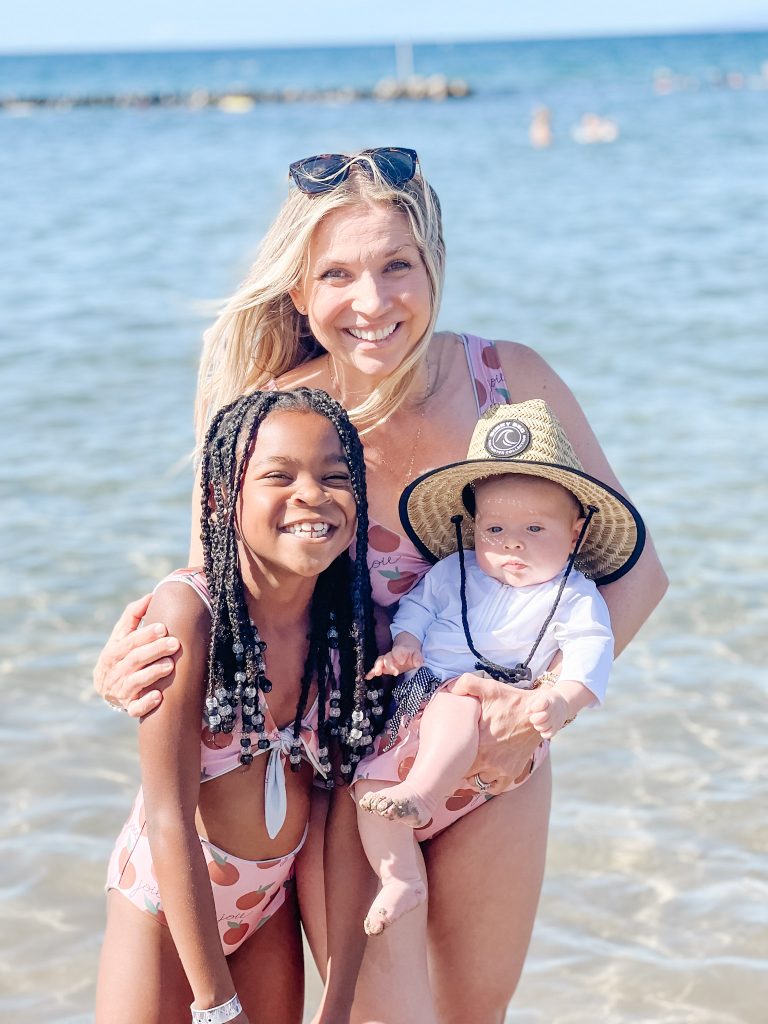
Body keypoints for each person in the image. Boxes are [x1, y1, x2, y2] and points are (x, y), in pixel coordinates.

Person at [94, 147, 667, 1024]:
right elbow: (219, 591)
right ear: (300, 291)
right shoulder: (276, 414)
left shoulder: (505, 383)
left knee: (474, 1014)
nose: (372, 302)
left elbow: (637, 572)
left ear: (433, 264)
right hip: (347, 776)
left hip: (493, 753)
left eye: (397, 265)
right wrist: (125, 661)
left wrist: (542, 708)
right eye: (338, 274)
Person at [96, 388, 379, 1024]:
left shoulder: (347, 633)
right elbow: (169, 815)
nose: (311, 494)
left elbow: (340, 820)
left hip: (267, 904)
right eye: (279, 476)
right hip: (167, 906)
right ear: (227, 498)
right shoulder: (191, 614)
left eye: (335, 477)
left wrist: (339, 998)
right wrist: (217, 1005)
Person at [354, 398, 642, 935]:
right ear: (474, 527)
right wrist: (406, 643)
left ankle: (422, 794)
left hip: (486, 710)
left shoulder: (571, 595)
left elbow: (589, 652)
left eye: (535, 529)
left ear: (576, 532)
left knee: (457, 703)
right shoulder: (453, 571)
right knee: (367, 790)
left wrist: (561, 699)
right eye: (496, 530)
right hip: (414, 708)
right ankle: (399, 879)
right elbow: (416, 607)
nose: (512, 542)